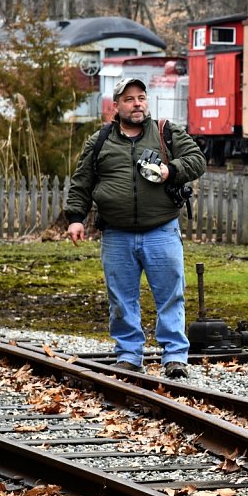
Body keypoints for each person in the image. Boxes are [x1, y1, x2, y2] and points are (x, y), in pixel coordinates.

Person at [65, 78, 205, 379]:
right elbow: (82, 182)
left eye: (141, 97)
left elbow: (197, 160)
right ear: (117, 106)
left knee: (170, 295)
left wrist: (172, 170)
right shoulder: (101, 139)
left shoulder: (166, 132)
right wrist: (75, 217)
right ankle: (129, 355)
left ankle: (175, 356)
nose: (137, 103)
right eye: (129, 99)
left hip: (161, 230)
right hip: (116, 234)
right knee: (120, 297)